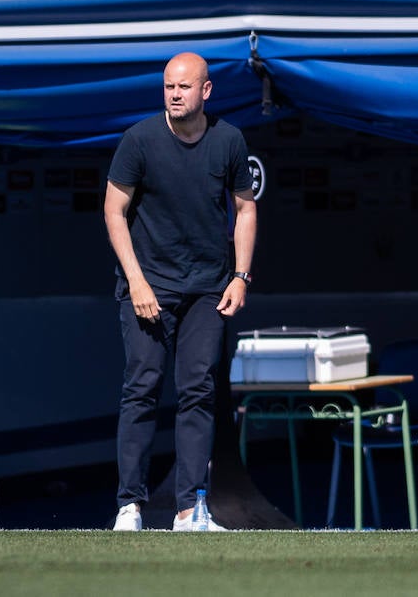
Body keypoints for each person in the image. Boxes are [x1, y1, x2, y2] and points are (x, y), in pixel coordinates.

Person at [105, 52, 256, 532]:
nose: (174, 94)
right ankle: (129, 506)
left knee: (198, 391)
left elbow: (245, 210)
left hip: (207, 289)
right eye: (169, 86)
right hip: (147, 286)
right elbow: (113, 211)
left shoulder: (229, 140)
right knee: (142, 388)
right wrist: (136, 281)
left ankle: (190, 509)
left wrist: (241, 276)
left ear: (205, 91)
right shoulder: (139, 140)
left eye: (184, 87)